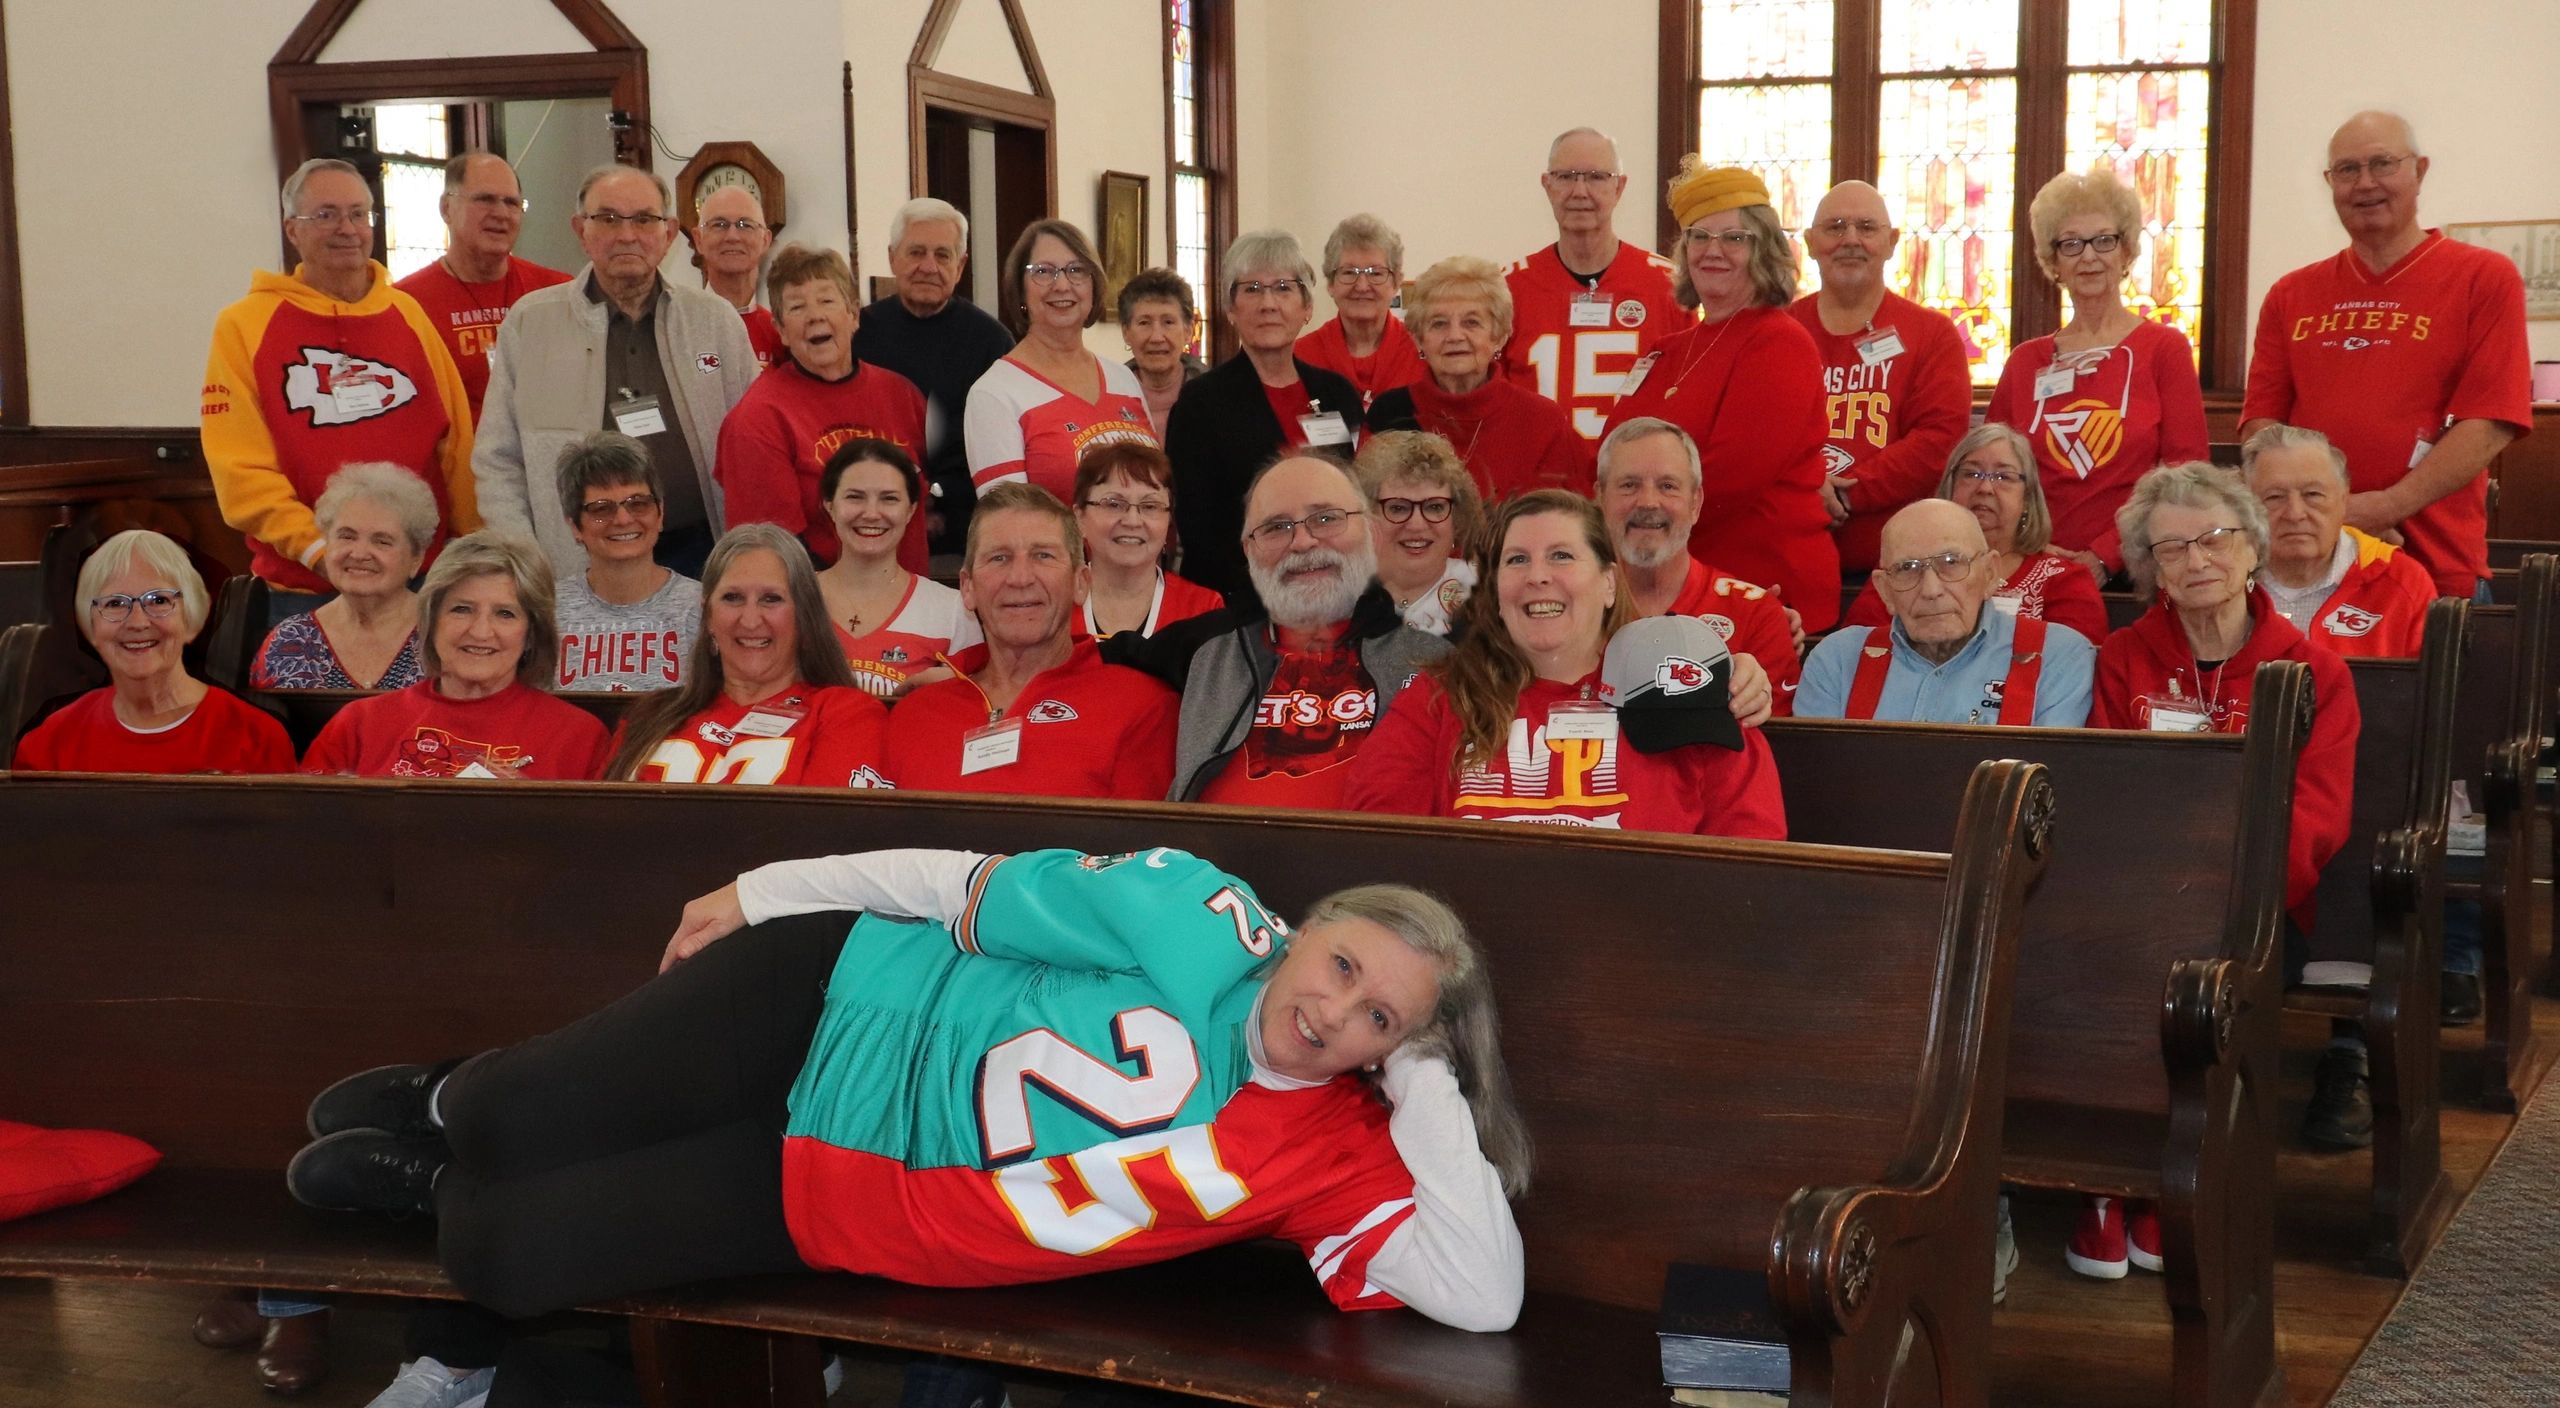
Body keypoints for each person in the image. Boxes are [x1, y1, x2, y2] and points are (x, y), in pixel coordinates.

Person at [284, 848, 1533, 1336]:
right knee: (510, 1116)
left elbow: (1484, 1298)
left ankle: (430, 1183)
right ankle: (449, 1101)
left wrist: (1428, 1073)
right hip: (827, 1004)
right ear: (1305, 929)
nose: (1333, 1012)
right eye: (1342, 966)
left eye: (1379, 1019)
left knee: (501, 1254)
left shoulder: (1339, 1151)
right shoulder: (1195, 916)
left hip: (828, 1193)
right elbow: (957, 882)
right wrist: (762, 892)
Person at [2091, 462, 2364, 1174]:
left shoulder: (2314, 674)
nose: (2198, 560)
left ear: (2252, 548)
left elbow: (2317, 818)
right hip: (2143, 900)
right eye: (2172, 548)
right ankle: (2116, 1171)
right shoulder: (2123, 658)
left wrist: (2227, 893)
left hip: (2261, 909)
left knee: (2185, 991)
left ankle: (2194, 1170)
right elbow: (2110, 794)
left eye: (2215, 539)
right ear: (2151, 569)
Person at [1346, 491, 1785, 837]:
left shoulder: (1684, 687)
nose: (1538, 575)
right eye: (1517, 559)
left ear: (1609, 583)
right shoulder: (1439, 698)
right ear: (1495, 592)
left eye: (1561, 555)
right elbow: (1383, 845)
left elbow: (1748, 853)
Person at [2241, 111, 2533, 599]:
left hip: (2435, 565)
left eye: (2382, 164)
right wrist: (2326, 516)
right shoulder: (2290, 294)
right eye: (2347, 170)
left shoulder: (2483, 278)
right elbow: (2262, 427)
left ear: (2419, 171)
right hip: (2307, 570)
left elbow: (2489, 423)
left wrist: (2387, 507)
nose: (2365, 183)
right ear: (2330, 183)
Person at [203, 158, 476, 605]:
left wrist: (472, 546)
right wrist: (318, 550)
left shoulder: (407, 313)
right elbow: (241, 471)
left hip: (420, 581)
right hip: (304, 587)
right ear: (292, 230)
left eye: (357, 214)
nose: (346, 229)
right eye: (326, 215)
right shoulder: (243, 326)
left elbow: (457, 445)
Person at [474, 163, 759, 582]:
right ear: (581, 230)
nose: (627, 235)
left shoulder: (715, 321)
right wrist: (526, 562)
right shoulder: (531, 323)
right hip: (575, 566)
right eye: (608, 218)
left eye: (644, 219)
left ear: (668, 233)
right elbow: (498, 460)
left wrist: (749, 552)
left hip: (700, 554)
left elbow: (756, 448)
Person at [1604, 162, 1839, 631]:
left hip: (1759, 590)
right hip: (1663, 586)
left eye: (1734, 238)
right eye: (1699, 236)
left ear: (1763, 250)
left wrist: (1633, 515)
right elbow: (1612, 453)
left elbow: (1730, 479)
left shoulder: (1780, 342)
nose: (1713, 251)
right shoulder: (1666, 350)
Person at [883, 482, 1177, 798]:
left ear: (1080, 583)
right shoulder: (914, 715)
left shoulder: (1141, 706)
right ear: (968, 587)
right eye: (999, 558)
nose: (1020, 578)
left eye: (1043, 556)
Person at [1987, 166, 2208, 583]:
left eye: (2104, 240)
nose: (2089, 257)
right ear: (2053, 261)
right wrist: (2030, 546)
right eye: (2071, 244)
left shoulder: (2164, 349)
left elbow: (2186, 473)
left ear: (2126, 252)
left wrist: (2106, 555)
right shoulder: (2025, 361)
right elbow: (1993, 471)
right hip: (2032, 565)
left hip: (2136, 571)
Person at [302, 533, 610, 780]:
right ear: (431, 621)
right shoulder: (358, 724)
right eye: (461, 609)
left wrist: (523, 808)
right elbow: (305, 829)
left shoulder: (580, 737)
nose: (480, 631)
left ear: (531, 632)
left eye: (505, 614)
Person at [601, 524, 888, 787]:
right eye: (732, 598)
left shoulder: (845, 713)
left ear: (804, 615)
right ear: (708, 615)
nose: (750, 621)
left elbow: (824, 823)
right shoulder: (649, 715)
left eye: (771, 599)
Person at [1785, 180, 1973, 572]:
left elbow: (1937, 441)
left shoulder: (1932, 334)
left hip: (1900, 570)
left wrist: (1846, 494)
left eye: (1867, 228)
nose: (1851, 239)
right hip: (1787, 557)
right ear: (1810, 242)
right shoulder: (1777, 332)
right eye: (1835, 227)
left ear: (1891, 242)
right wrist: (1806, 490)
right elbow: (1756, 436)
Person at [1165, 232, 1363, 601]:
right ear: (1231, 308)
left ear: (1307, 307)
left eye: (1284, 288)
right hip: (1239, 597)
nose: (1268, 303)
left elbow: (1354, 499)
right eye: (1252, 289)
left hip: (1334, 590)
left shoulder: (1338, 394)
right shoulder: (1202, 402)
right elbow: (1198, 526)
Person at [715, 244, 930, 574]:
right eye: (797, 307)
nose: (815, 315)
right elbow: (773, 553)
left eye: (827, 301)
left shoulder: (903, 396)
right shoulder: (756, 420)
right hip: (820, 599)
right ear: (781, 330)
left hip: (912, 594)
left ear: (853, 315)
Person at [12, 529, 293, 774]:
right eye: (115, 604)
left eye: (158, 600)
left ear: (191, 616)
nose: (137, 622)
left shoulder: (257, 737)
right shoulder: (47, 745)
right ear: (90, 626)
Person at [1798, 500, 2097, 726]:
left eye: (1951, 563)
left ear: (1990, 573)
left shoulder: (2055, 656)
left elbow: (2048, 782)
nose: (1931, 590)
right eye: (1907, 568)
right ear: (1885, 590)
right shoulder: (1839, 661)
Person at [1837, 423, 2112, 645]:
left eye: (2003, 477)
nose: (1985, 489)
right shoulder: (1906, 565)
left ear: (2027, 498)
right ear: (1950, 488)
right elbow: (1861, 648)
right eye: (1971, 474)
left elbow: (2071, 666)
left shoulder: (2064, 580)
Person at [1594, 417, 1802, 704]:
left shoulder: (1756, 615)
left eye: (1668, 486)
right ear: (1600, 498)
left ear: (1695, 503)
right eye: (1629, 485)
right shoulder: (1572, 610)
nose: (1648, 502)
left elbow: (1771, 732)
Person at [1499, 127, 1685, 443]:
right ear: (1547, 185)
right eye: (1565, 177)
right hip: (1540, 473)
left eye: (1597, 177)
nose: (1580, 191)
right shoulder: (1507, 289)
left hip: (1635, 472)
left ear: (1619, 187)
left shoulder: (1669, 286)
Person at [853, 198, 1017, 555]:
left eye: (943, 255)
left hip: (966, 530)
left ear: (961, 266)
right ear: (892, 258)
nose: (928, 267)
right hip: (868, 522)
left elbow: (1000, 446)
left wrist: (939, 499)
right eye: (916, 252)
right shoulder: (857, 333)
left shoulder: (992, 342)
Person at [1364, 256, 1591, 501]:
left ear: (1499, 336)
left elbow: (1570, 514)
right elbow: (1369, 508)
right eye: (1439, 324)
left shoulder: (1543, 422)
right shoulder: (1388, 414)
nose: (1455, 336)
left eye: (1471, 323)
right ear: (1419, 339)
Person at [964, 218, 1157, 503]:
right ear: (1021, 289)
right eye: (1043, 272)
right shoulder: (994, 393)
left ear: (1094, 286)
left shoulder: (1123, 379)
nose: (1062, 285)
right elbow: (1009, 519)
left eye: (1077, 270)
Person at [393, 151, 572, 419]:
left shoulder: (559, 293)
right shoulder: (405, 305)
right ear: (446, 208)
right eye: (485, 199)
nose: (501, 213)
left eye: (512, 203)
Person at [2243, 423, 2435, 657]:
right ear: (2248, 506)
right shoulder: (2223, 578)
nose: (2295, 513)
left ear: (2343, 500)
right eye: (2274, 497)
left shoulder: (2402, 581)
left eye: (2312, 495)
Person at [810, 438, 979, 698]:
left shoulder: (953, 610)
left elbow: (976, 705)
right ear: (829, 505)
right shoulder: (792, 599)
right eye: (855, 497)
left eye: (889, 499)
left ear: (911, 510)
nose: (871, 513)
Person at [250, 462, 435, 690]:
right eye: (347, 536)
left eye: (382, 541)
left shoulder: (444, 634)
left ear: (416, 558)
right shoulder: (288, 640)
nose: (359, 554)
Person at [550, 432, 702, 693]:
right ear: (574, 526)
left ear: (660, 513)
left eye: (638, 504)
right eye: (601, 508)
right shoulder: (546, 610)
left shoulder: (703, 607)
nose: (623, 520)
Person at [1071, 441, 1224, 641]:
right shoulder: (1052, 601)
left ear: (1169, 520)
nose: (1132, 521)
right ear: (1079, 517)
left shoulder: (1205, 610)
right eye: (1114, 504)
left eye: (1150, 506)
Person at [1352, 431, 1483, 638]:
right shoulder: (1341, 595)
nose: (1416, 525)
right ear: (1368, 516)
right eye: (1398, 508)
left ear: (1457, 518)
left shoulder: (1489, 594)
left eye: (1434, 507)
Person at [1297, 214, 1425, 406]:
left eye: (1376, 273)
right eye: (1349, 272)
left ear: (1396, 282)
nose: (1362, 286)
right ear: (1331, 284)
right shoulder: (1300, 358)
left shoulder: (1423, 352)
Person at [686, 184, 781, 368]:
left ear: (765, 240)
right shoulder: (679, 329)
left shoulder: (781, 335)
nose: (732, 236)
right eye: (719, 225)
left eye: (745, 225)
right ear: (698, 239)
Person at [1119, 267, 1209, 436]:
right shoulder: (1108, 395)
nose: (1156, 337)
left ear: (1188, 331)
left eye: (1168, 322)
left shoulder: (1216, 397)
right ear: (1126, 333)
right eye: (1144, 323)